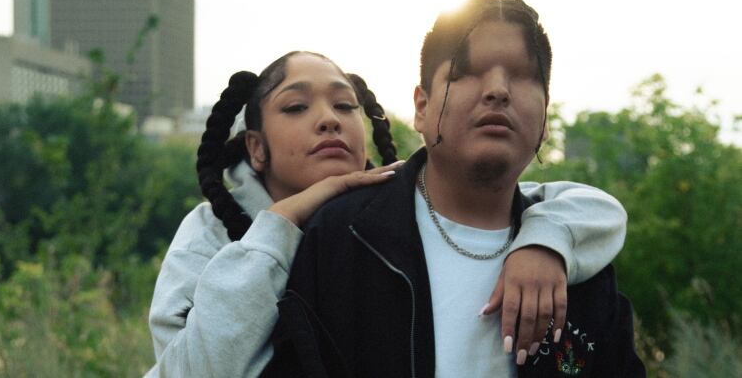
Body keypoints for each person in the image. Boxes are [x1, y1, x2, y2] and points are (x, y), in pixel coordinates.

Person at [147, 49, 627, 378]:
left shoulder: (400, 215)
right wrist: (282, 223)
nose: (328, 118)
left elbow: (586, 206)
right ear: (256, 147)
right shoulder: (212, 232)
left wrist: (542, 242)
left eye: (344, 104)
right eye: (295, 106)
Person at [267, 0, 645, 377]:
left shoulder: (578, 263)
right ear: (421, 107)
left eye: (523, 75)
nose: (498, 89)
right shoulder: (341, 238)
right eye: (466, 72)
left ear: (546, 118)